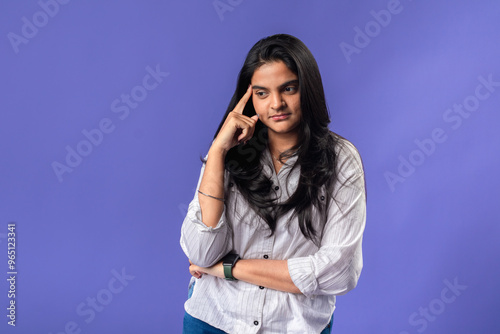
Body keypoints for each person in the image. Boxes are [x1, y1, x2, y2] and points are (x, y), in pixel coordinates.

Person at [180, 34, 366, 334]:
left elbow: (339, 271)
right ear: (248, 97)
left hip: (293, 327)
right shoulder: (228, 154)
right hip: (213, 321)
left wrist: (228, 268)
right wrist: (216, 152)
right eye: (262, 93)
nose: (276, 103)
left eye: (288, 89)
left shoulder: (341, 160)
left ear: (307, 89)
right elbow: (202, 253)